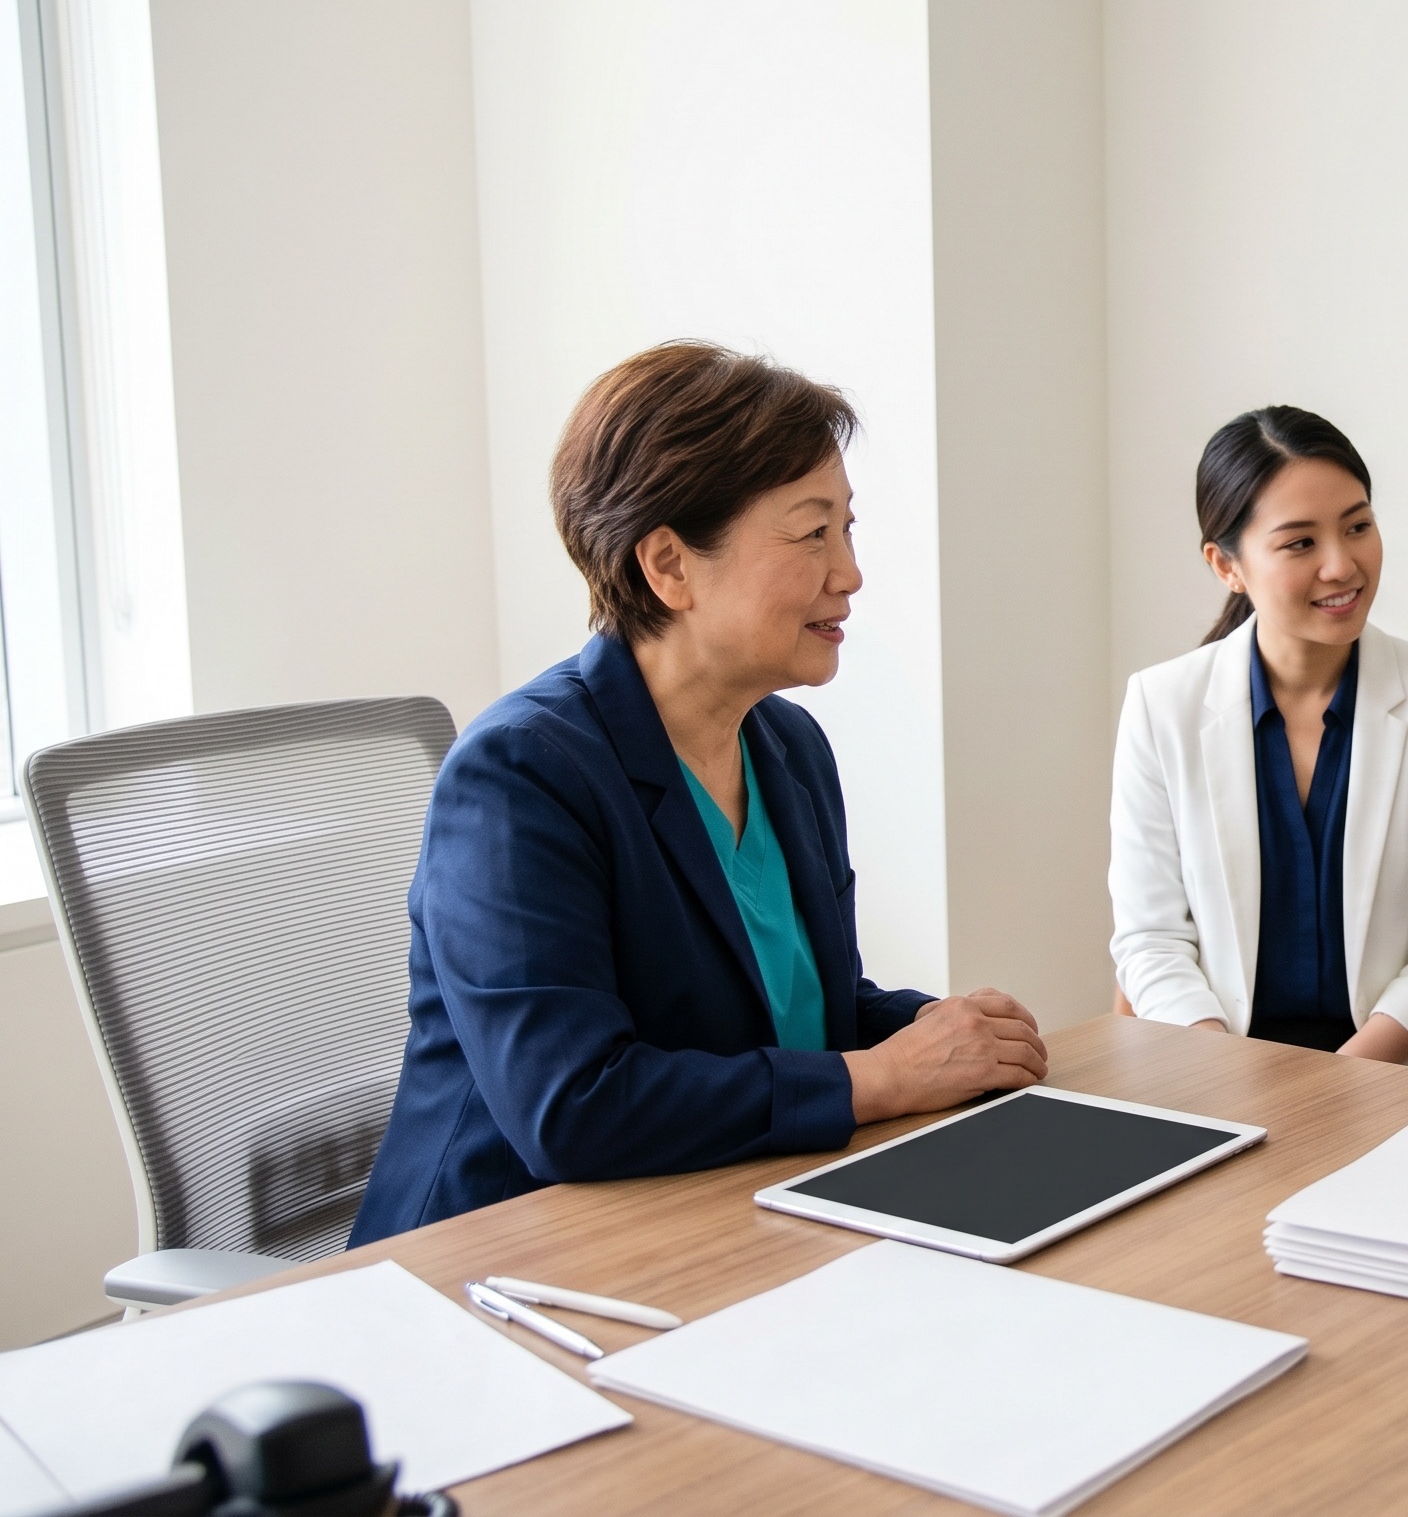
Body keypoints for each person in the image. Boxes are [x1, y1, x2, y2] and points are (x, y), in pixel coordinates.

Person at [353, 343, 1048, 1241]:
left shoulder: (787, 747)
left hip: (708, 1216)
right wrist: (883, 1077)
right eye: (812, 533)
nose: (850, 574)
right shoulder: (519, 776)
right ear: (669, 566)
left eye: (848, 529)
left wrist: (941, 1034)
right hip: (494, 1265)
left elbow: (800, 1020)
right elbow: (573, 1107)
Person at [1108, 406, 1408, 1078]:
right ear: (1226, 565)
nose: (1342, 565)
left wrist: (1337, 1083)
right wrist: (1234, 1075)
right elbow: (1150, 940)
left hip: (1395, 1077)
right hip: (1218, 1075)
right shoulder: (1161, 705)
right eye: (1300, 543)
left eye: (1358, 526)